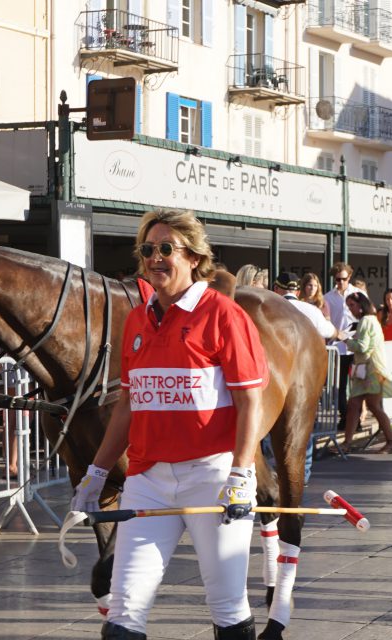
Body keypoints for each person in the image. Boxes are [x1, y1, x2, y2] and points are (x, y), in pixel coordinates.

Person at [71, 209, 268, 639]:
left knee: (227, 603)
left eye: (166, 249)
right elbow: (128, 404)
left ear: (195, 257)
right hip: (147, 480)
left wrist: (241, 472)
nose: (155, 258)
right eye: (147, 250)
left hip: (212, 476)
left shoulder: (224, 315)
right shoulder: (138, 320)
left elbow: (250, 399)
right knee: (124, 609)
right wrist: (96, 473)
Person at [272, 272, 337, 484]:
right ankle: (302, 474)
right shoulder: (310, 310)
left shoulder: (270, 308)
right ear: (298, 291)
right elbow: (329, 331)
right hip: (303, 378)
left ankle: (269, 468)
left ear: (276, 289)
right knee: (304, 425)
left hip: (272, 377)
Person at [339, 292, 392, 454]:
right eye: (349, 306)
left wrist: (344, 338)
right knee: (356, 406)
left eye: (352, 305)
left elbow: (362, 347)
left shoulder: (366, 321)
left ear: (360, 306)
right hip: (367, 370)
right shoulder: (370, 320)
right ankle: (347, 443)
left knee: (369, 406)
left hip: (371, 371)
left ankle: (391, 441)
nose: (350, 309)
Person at [323, 263, 360, 432]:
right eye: (337, 280)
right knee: (339, 386)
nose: (340, 283)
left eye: (343, 279)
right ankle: (345, 417)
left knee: (356, 387)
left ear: (349, 278)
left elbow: (364, 318)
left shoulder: (358, 294)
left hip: (356, 347)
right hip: (338, 348)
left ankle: (355, 420)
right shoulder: (328, 297)